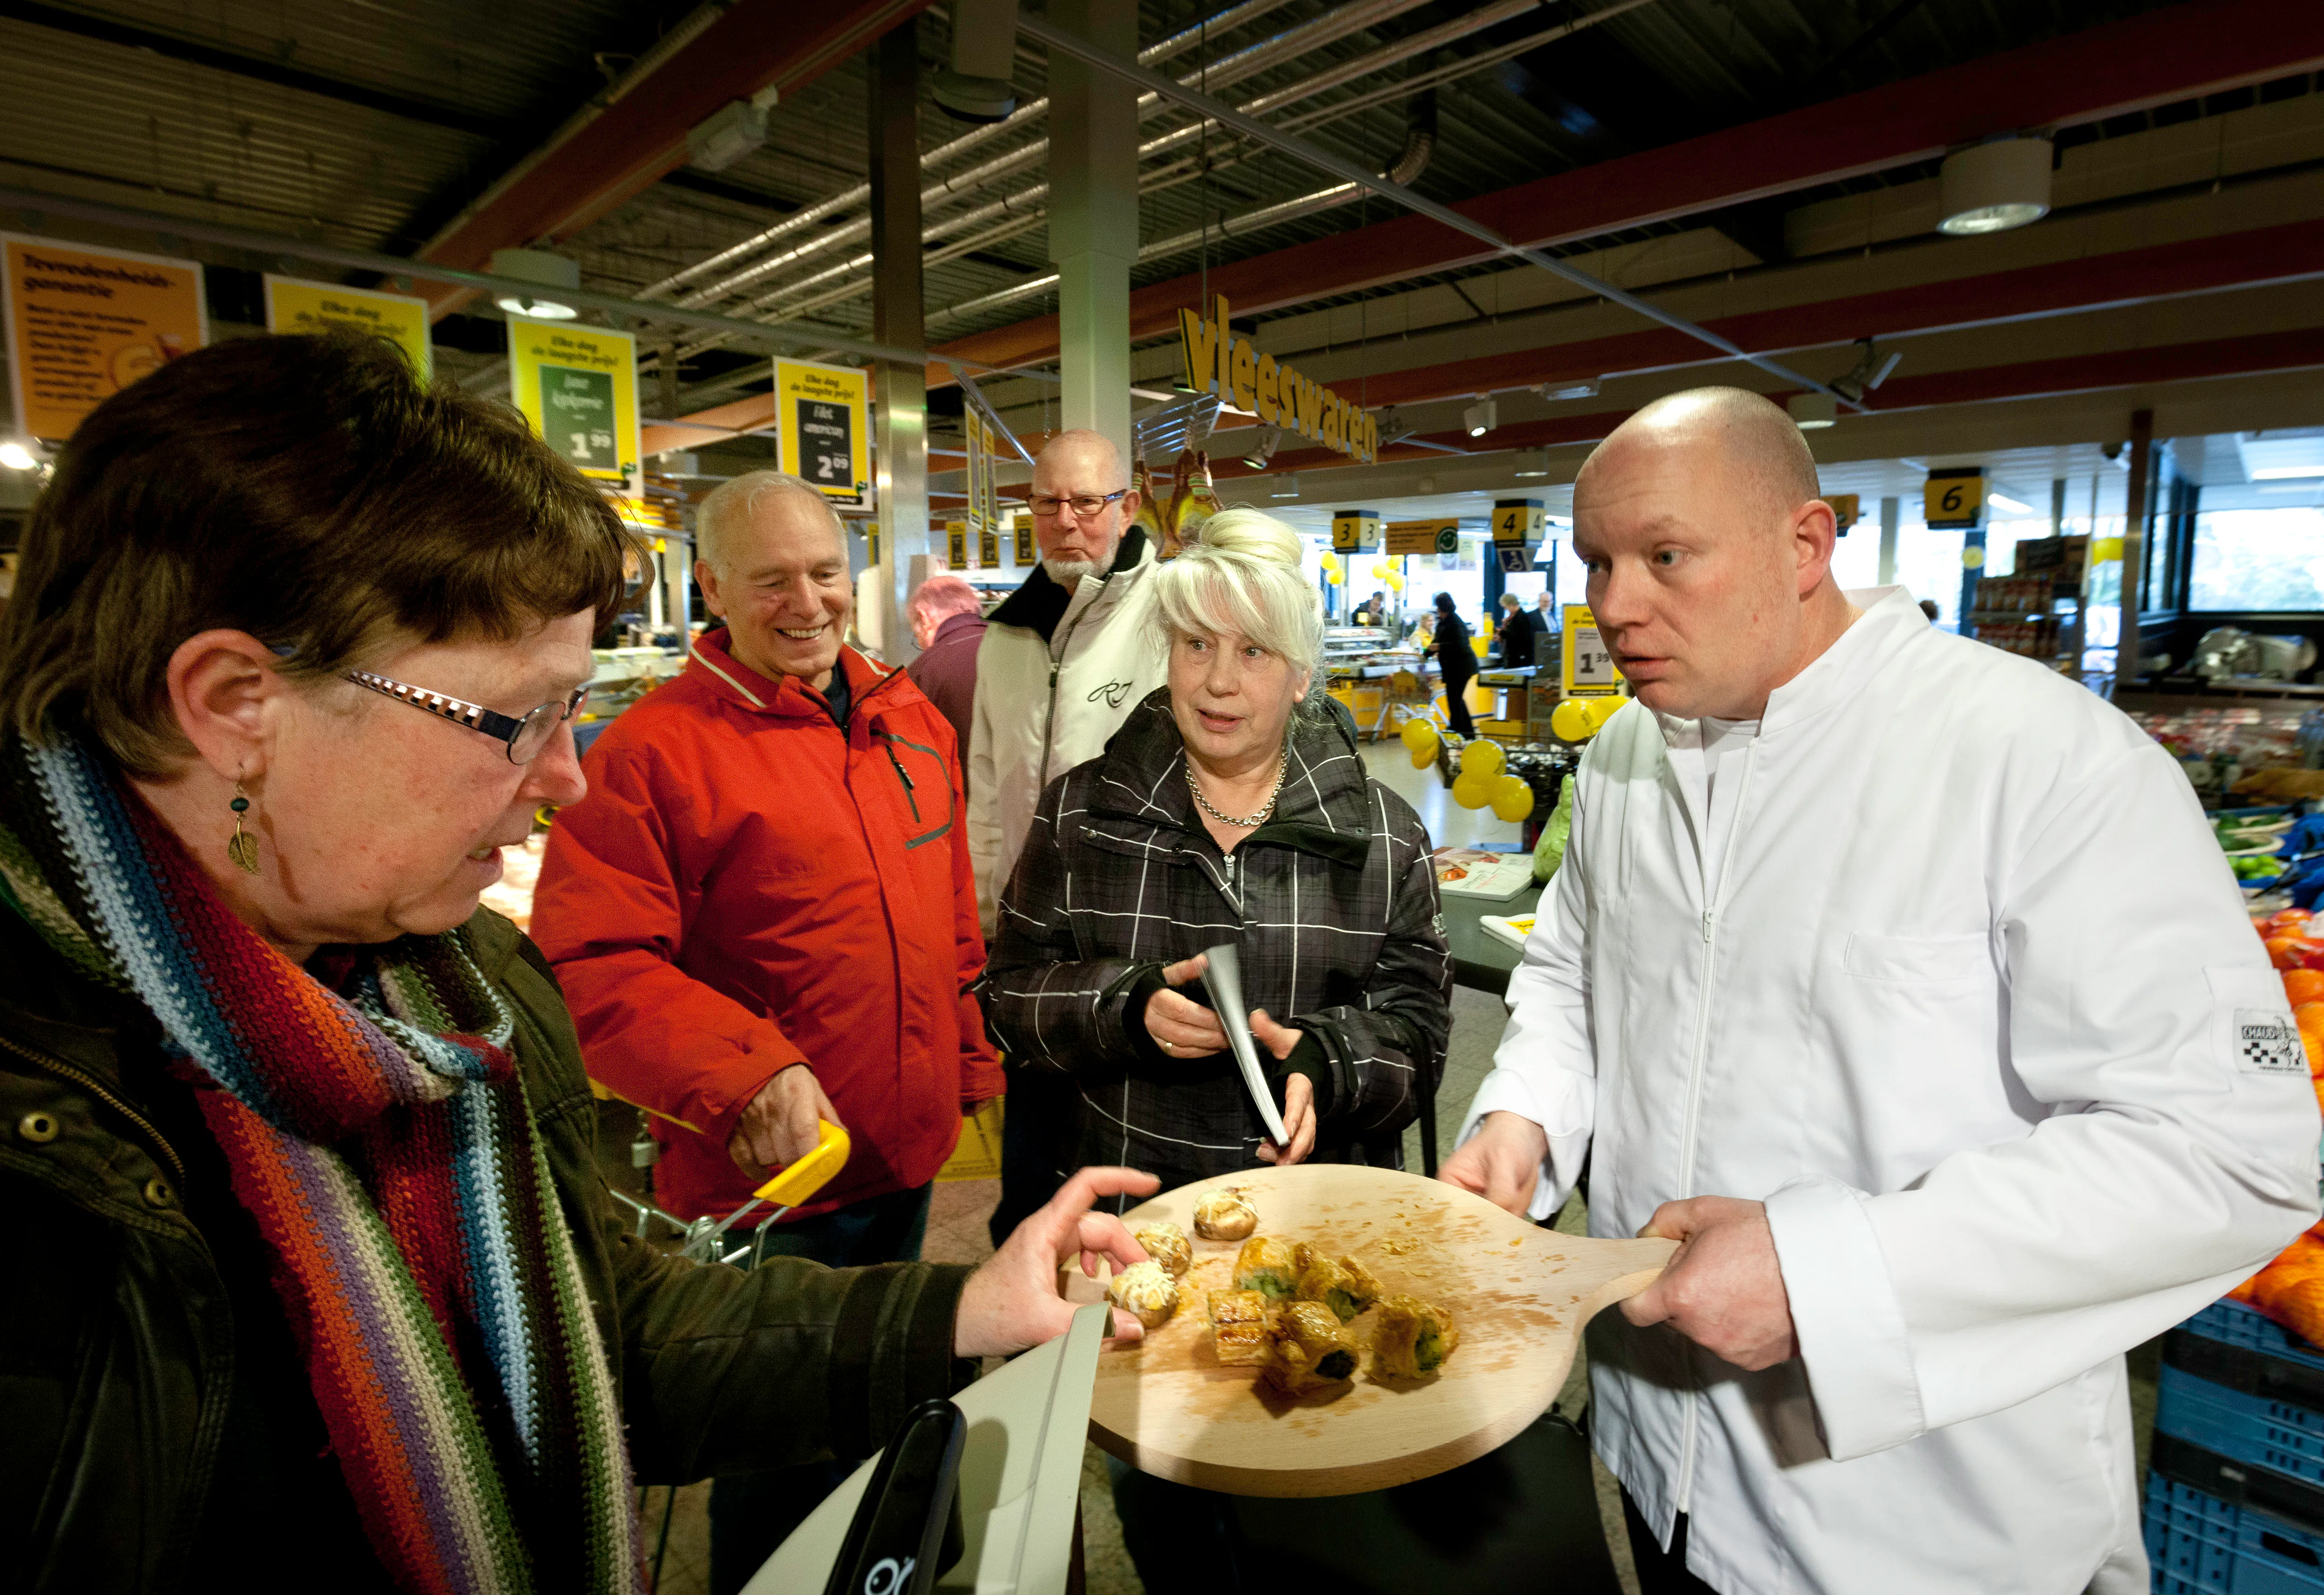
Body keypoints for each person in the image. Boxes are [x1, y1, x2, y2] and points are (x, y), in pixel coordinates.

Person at [0, 333, 1156, 1594]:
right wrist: (742, 1072)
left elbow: (600, 1330)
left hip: (889, 1138)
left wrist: (962, 1303)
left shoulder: (439, 981)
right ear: (239, 703)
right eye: (521, 715)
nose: (564, 774)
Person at [1439, 386, 2318, 1595]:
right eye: (1595, 560)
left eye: (1664, 556)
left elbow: (2230, 1152)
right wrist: (1526, 1112)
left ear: (1804, 546)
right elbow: (1575, 970)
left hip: (1918, 1523)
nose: (1612, 605)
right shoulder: (1628, 757)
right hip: (1662, 1459)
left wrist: (1825, 1272)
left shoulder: (2037, 759)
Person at [527, 469, 1007, 1590]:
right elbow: (588, 963)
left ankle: (880, 1557)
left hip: (902, 1144)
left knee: (885, 1384)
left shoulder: (905, 714)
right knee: (777, 1438)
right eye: (771, 578)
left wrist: (970, 1063)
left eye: (825, 572)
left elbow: (949, 919)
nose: (807, 601)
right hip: (770, 1178)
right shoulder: (646, 752)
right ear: (710, 587)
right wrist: (746, 1074)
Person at [981, 507, 1450, 1196]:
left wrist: (1331, 1060)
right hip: (1130, 1215)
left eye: (1253, 651)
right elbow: (1007, 998)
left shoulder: (1383, 837)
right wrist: (1124, 1006)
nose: (1218, 681)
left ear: (1300, 675)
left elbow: (1421, 1036)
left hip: (1318, 1218)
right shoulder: (1080, 812)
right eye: (1196, 644)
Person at [971, 428, 1169, 1245]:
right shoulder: (1004, 636)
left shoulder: (1170, 612)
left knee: (1134, 1177)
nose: (1067, 521)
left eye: (1087, 501)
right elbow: (987, 788)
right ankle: (1030, 1344)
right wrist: (985, 923)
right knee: (1029, 1183)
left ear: (1124, 507)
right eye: (1048, 502)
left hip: (1138, 939)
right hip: (1030, 947)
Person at [906, 572, 986, 775]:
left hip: (964, 799)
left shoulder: (922, 672)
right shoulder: (1021, 649)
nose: (922, 646)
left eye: (917, 638)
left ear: (924, 618)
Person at [1431, 590, 1479, 738]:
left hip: (1461, 667)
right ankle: (1467, 733)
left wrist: (1440, 647)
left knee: (1454, 700)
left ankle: (1456, 732)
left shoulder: (1455, 622)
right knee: (1456, 699)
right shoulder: (1444, 621)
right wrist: (1426, 652)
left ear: (1441, 608)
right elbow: (1437, 641)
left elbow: (1461, 644)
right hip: (1455, 668)